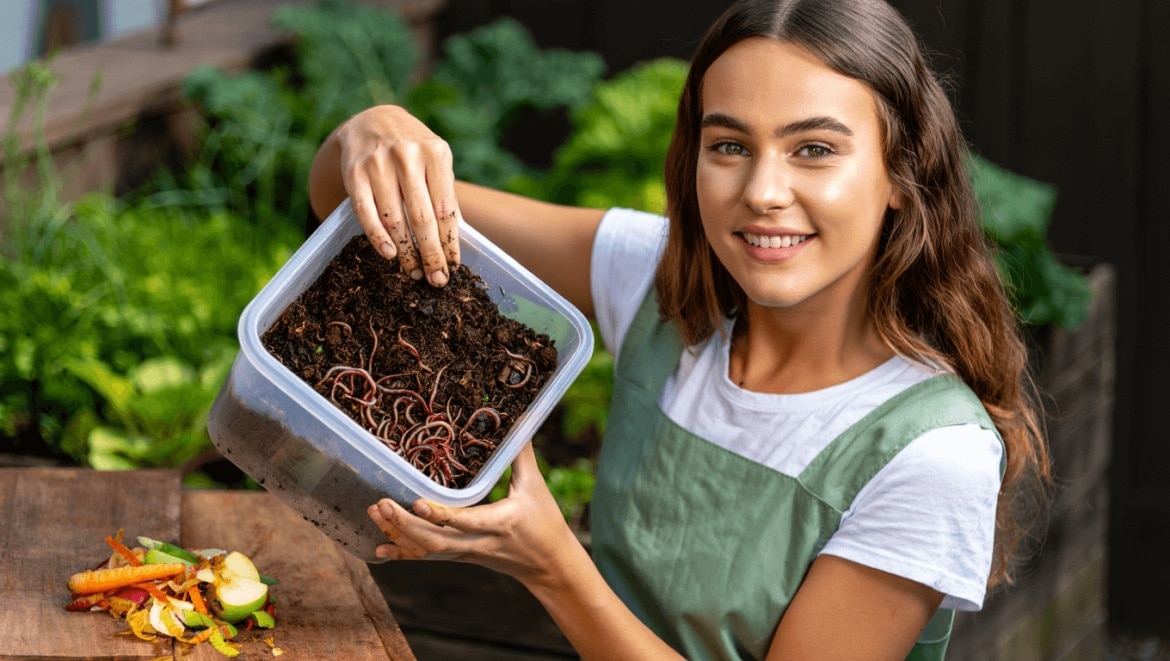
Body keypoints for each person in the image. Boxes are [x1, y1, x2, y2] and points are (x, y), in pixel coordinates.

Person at [307, 0, 1051, 658]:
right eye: (730, 145)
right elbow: (346, 199)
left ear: (902, 172)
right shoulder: (659, 279)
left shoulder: (932, 454)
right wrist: (370, 131)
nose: (763, 192)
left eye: (814, 150)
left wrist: (552, 566)